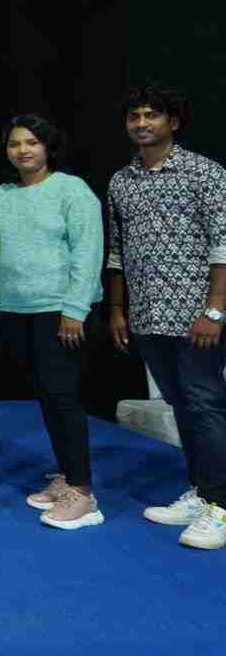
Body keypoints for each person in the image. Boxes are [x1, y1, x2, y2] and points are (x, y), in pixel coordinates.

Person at [105, 84, 226, 550]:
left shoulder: (205, 172)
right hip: (148, 315)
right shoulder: (121, 181)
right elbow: (117, 252)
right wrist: (117, 309)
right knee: (182, 406)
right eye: (134, 116)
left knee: (205, 404)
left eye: (151, 115)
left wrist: (214, 310)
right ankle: (202, 491)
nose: (142, 123)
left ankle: (221, 506)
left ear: (172, 123)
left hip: (198, 317)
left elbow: (223, 246)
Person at [0, 114, 105, 530]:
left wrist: (75, 309)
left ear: (47, 147)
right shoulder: (1, 195)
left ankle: (83, 495)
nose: (23, 150)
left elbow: (88, 252)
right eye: (15, 144)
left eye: (32, 142)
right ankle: (66, 476)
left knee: (63, 397)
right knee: (46, 396)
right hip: (17, 311)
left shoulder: (72, 190)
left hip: (62, 312)